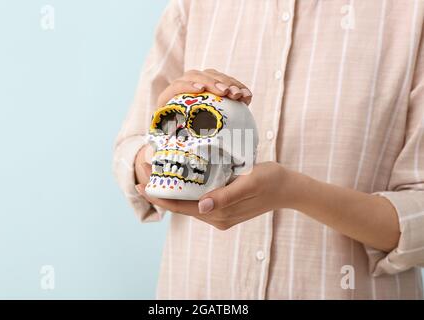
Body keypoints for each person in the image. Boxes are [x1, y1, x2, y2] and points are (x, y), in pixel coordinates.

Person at [113, 0, 424, 299]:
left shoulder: (411, 13)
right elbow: (131, 148)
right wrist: (162, 151)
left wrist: (295, 192)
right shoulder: (194, 4)